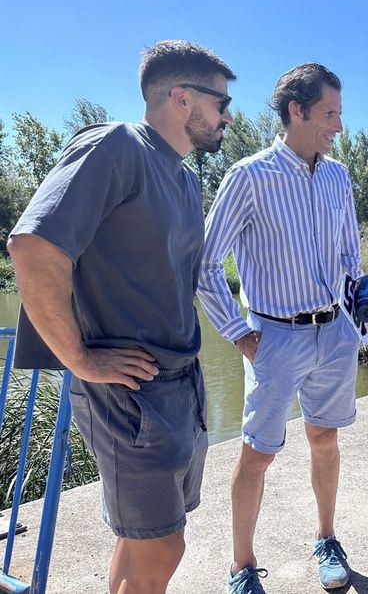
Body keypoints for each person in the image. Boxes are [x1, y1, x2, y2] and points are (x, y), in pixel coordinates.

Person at [8, 40, 235, 594]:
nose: (228, 116)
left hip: (179, 384)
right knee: (163, 542)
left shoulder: (183, 176)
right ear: (181, 98)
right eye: (221, 103)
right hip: (130, 396)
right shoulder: (116, 146)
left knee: (142, 538)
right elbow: (34, 247)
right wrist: (79, 358)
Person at [197, 63, 361, 593]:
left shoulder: (338, 176)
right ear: (297, 110)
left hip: (334, 332)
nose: (339, 125)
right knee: (258, 453)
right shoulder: (248, 176)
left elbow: (350, 256)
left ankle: (327, 538)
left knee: (325, 437)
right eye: (330, 113)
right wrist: (240, 335)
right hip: (275, 338)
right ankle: (241, 567)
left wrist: (358, 313)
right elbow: (203, 264)